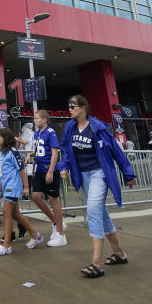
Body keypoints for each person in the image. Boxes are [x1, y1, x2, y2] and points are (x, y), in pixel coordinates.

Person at [58, 94, 137, 278]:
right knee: (101, 213)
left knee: (93, 210)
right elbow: (66, 150)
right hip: (83, 175)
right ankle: (120, 254)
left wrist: (128, 173)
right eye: (69, 106)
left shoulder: (98, 128)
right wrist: (64, 166)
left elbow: (116, 151)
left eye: (73, 106)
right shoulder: (70, 127)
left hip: (99, 173)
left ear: (83, 108)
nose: (70, 109)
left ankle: (96, 263)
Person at [0, 128, 40, 256]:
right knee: (15, 215)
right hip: (6, 186)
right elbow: (3, 171)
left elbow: (22, 169)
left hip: (13, 187)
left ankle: (6, 245)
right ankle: (35, 235)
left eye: (0, 137)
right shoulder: (2, 153)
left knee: (6, 212)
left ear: (6, 139)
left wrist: (26, 187)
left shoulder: (13, 152)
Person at [28, 109, 66, 246]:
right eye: (34, 118)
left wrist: (50, 171)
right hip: (39, 170)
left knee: (53, 199)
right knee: (36, 196)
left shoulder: (51, 133)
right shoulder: (37, 133)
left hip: (49, 170)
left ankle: (61, 234)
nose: (35, 120)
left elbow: (54, 153)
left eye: (37, 118)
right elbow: (40, 149)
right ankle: (55, 222)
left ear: (44, 120)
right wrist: (31, 155)